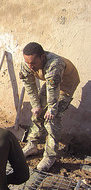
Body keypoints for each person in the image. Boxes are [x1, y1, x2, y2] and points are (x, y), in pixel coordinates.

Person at [20, 42, 80, 171]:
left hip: (65, 86)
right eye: (28, 62)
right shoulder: (27, 64)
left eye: (33, 63)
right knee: (37, 113)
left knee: (52, 119)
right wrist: (36, 106)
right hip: (50, 84)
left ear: (42, 57)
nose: (30, 66)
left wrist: (52, 109)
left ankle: (50, 156)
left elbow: (53, 90)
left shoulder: (55, 64)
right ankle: (32, 144)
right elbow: (30, 86)